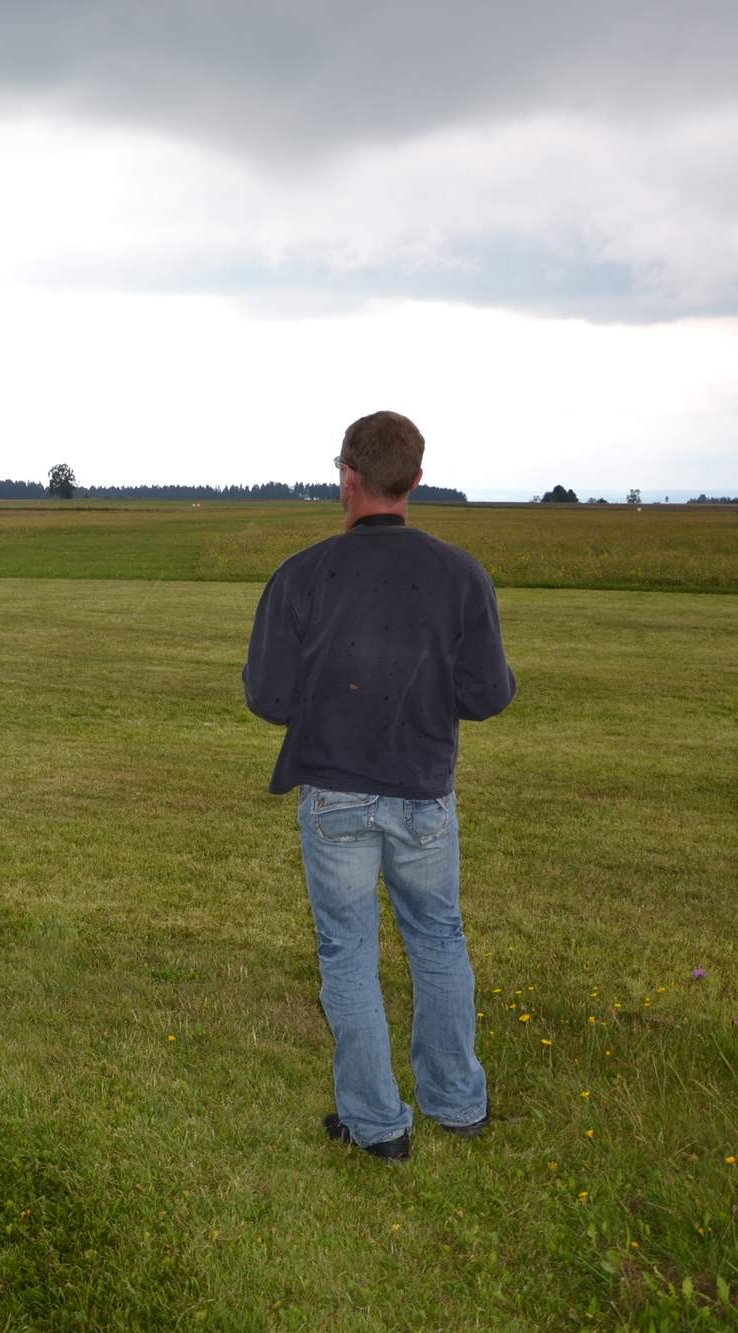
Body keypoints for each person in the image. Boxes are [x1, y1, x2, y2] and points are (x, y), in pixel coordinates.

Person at [242, 411, 516, 1162]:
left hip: (334, 795)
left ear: (347, 477)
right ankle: (456, 1105)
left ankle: (376, 1126)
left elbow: (267, 697)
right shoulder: (461, 574)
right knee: (439, 938)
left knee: (348, 952)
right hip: (425, 792)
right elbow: (488, 693)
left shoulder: (302, 574)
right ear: (416, 480)